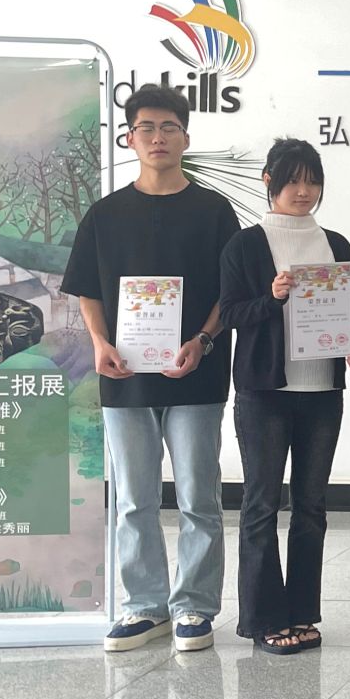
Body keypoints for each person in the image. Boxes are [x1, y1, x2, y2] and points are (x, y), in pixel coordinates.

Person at [66, 84, 239, 654]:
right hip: (123, 376)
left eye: (169, 127)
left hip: (196, 375)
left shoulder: (214, 211)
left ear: (185, 137)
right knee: (134, 498)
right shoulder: (105, 214)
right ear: (129, 137)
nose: (158, 137)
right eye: (147, 128)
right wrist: (99, 343)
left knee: (198, 496)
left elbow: (230, 292)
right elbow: (88, 289)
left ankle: (194, 607)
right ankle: (143, 606)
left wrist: (203, 340)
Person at [217, 139, 350, 653]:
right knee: (261, 504)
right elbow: (230, 314)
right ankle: (262, 619)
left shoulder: (336, 244)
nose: (304, 191)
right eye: (293, 181)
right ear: (269, 181)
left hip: (322, 390)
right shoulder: (245, 245)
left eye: (312, 181)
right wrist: (272, 298)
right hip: (264, 392)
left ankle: (302, 612)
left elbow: (341, 310)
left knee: (312, 506)